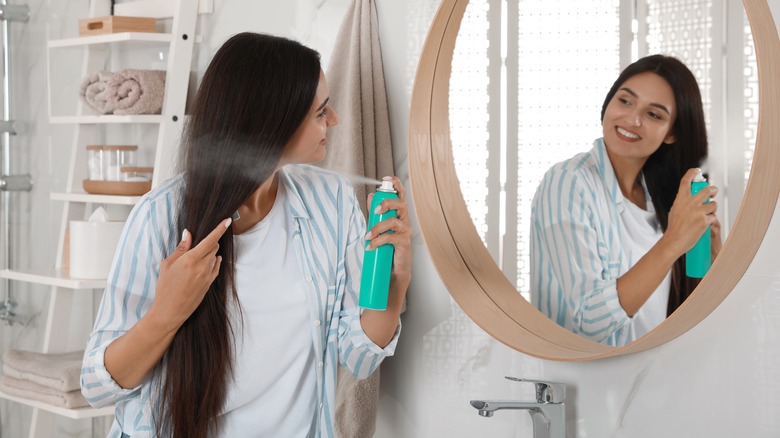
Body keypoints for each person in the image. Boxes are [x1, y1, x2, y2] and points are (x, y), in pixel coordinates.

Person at [81, 32, 412, 438]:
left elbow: (357, 357)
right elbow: (97, 386)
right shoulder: (159, 217)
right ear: (271, 123)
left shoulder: (333, 201)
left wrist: (395, 285)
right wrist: (167, 313)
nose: (335, 121)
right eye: (320, 112)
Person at [529, 54, 721, 347]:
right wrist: (673, 241)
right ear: (608, 103)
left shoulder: (663, 199)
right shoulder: (568, 183)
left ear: (672, 134)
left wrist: (715, 261)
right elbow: (588, 322)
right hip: (591, 385)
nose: (632, 119)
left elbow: (685, 313)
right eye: (625, 101)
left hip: (656, 381)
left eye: (654, 114)